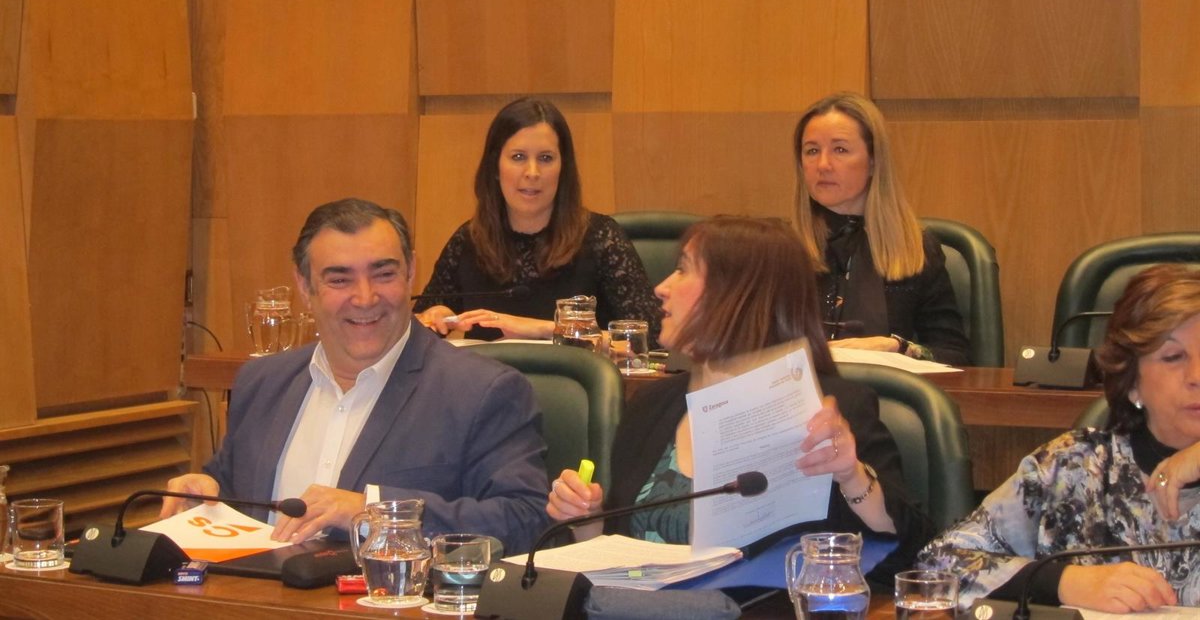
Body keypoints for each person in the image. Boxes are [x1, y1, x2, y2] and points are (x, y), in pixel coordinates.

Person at [546, 215, 931, 580]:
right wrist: (587, 523)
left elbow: (908, 555)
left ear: (739, 294)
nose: (661, 287)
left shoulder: (830, 407)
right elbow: (625, 559)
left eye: (683, 270)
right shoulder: (651, 405)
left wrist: (851, 475)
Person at [161, 198, 549, 554]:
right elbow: (231, 493)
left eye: (384, 274)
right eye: (340, 279)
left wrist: (372, 512)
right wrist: (204, 496)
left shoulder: (481, 391)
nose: (365, 298)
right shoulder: (261, 383)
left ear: (411, 272)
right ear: (304, 286)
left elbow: (526, 520)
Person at [918, 264, 1200, 612]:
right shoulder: (1073, 466)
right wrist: (1064, 581)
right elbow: (940, 564)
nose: (1197, 375)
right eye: (1173, 357)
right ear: (1132, 381)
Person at [415, 96, 662, 344]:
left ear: (563, 168)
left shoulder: (601, 238)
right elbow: (415, 333)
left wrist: (545, 329)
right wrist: (437, 317)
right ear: (495, 168)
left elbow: (649, 338)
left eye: (545, 158)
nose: (532, 173)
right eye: (518, 157)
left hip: (571, 371)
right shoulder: (469, 241)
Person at [793, 92, 970, 365]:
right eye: (812, 151)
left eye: (840, 150)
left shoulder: (915, 249)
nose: (823, 165)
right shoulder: (779, 250)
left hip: (883, 391)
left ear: (874, 161)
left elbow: (957, 357)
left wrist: (900, 347)